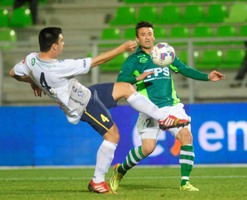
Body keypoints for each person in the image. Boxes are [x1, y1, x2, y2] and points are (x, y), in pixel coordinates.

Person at [9, 27, 190, 194]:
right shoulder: (60, 67)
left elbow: (13, 73)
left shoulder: (31, 59)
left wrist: (33, 81)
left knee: (126, 87)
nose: (64, 43)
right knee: (113, 136)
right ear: (54, 46)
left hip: (86, 93)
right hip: (82, 105)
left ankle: (164, 118)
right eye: (62, 41)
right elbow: (98, 61)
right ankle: (97, 181)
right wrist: (122, 48)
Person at [110, 21, 225, 192]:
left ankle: (185, 182)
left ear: (154, 35)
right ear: (137, 38)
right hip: (149, 109)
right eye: (143, 34)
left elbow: (184, 69)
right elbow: (121, 82)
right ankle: (120, 170)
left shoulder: (164, 53)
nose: (147, 37)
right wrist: (137, 78)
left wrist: (207, 77)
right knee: (148, 148)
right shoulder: (134, 60)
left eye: (150, 33)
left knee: (186, 136)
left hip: (172, 106)